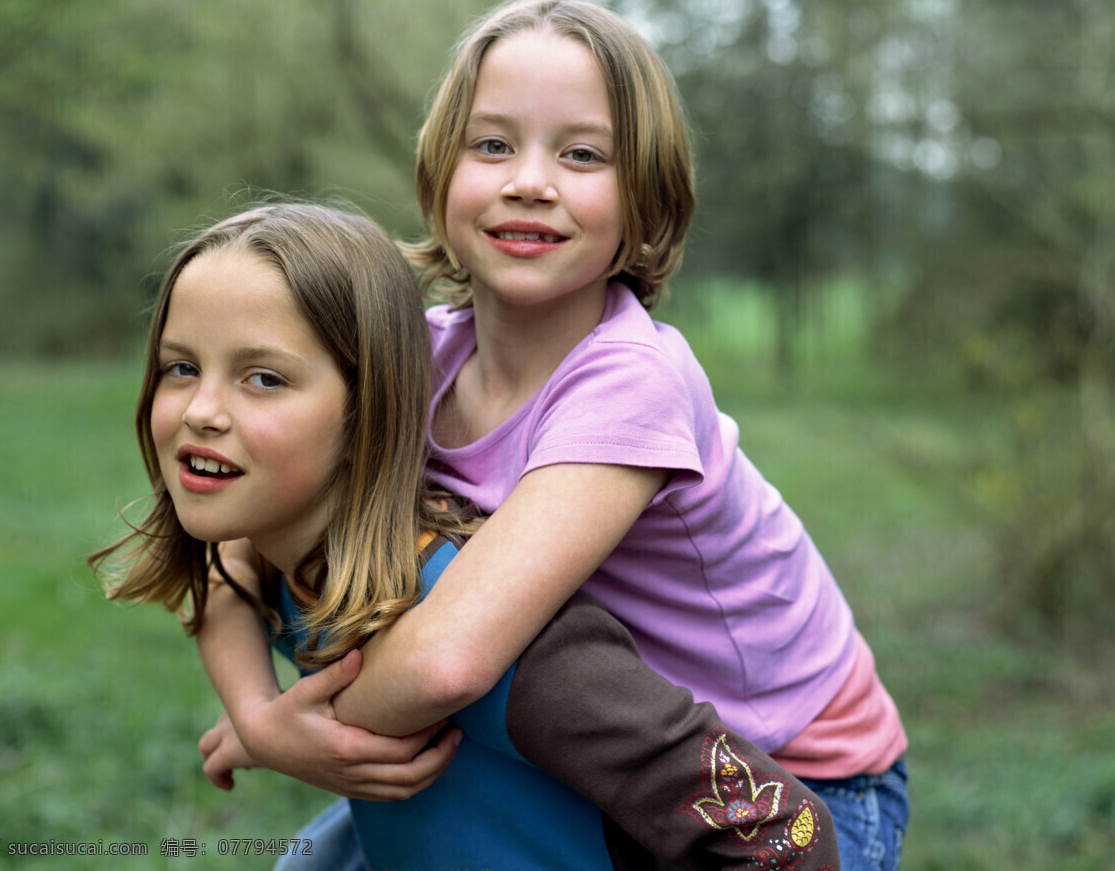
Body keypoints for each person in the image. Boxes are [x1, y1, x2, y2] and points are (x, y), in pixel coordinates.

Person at [207, 0, 911, 870]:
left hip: (783, 780)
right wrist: (256, 713)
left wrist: (302, 736)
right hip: (583, 747)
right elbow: (239, 539)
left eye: (582, 154)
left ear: (644, 199)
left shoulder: (632, 380)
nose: (529, 180)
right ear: (440, 174)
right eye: (492, 144)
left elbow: (447, 665)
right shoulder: (412, 358)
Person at [90, 203, 841, 870]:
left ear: (368, 415)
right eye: (180, 368)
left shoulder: (512, 649)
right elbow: (225, 574)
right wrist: (261, 721)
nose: (201, 411)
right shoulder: (275, 554)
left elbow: (784, 832)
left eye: (264, 379)